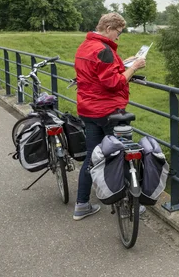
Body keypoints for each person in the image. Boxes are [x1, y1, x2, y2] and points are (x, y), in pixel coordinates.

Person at [72, 13, 146, 220]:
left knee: (91, 157)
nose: (118, 38)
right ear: (108, 28)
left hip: (87, 109)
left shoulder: (84, 47)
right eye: (118, 33)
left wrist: (124, 62)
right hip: (108, 111)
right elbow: (113, 82)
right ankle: (126, 207)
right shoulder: (104, 50)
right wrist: (134, 67)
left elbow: (98, 72)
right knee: (120, 155)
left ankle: (82, 205)